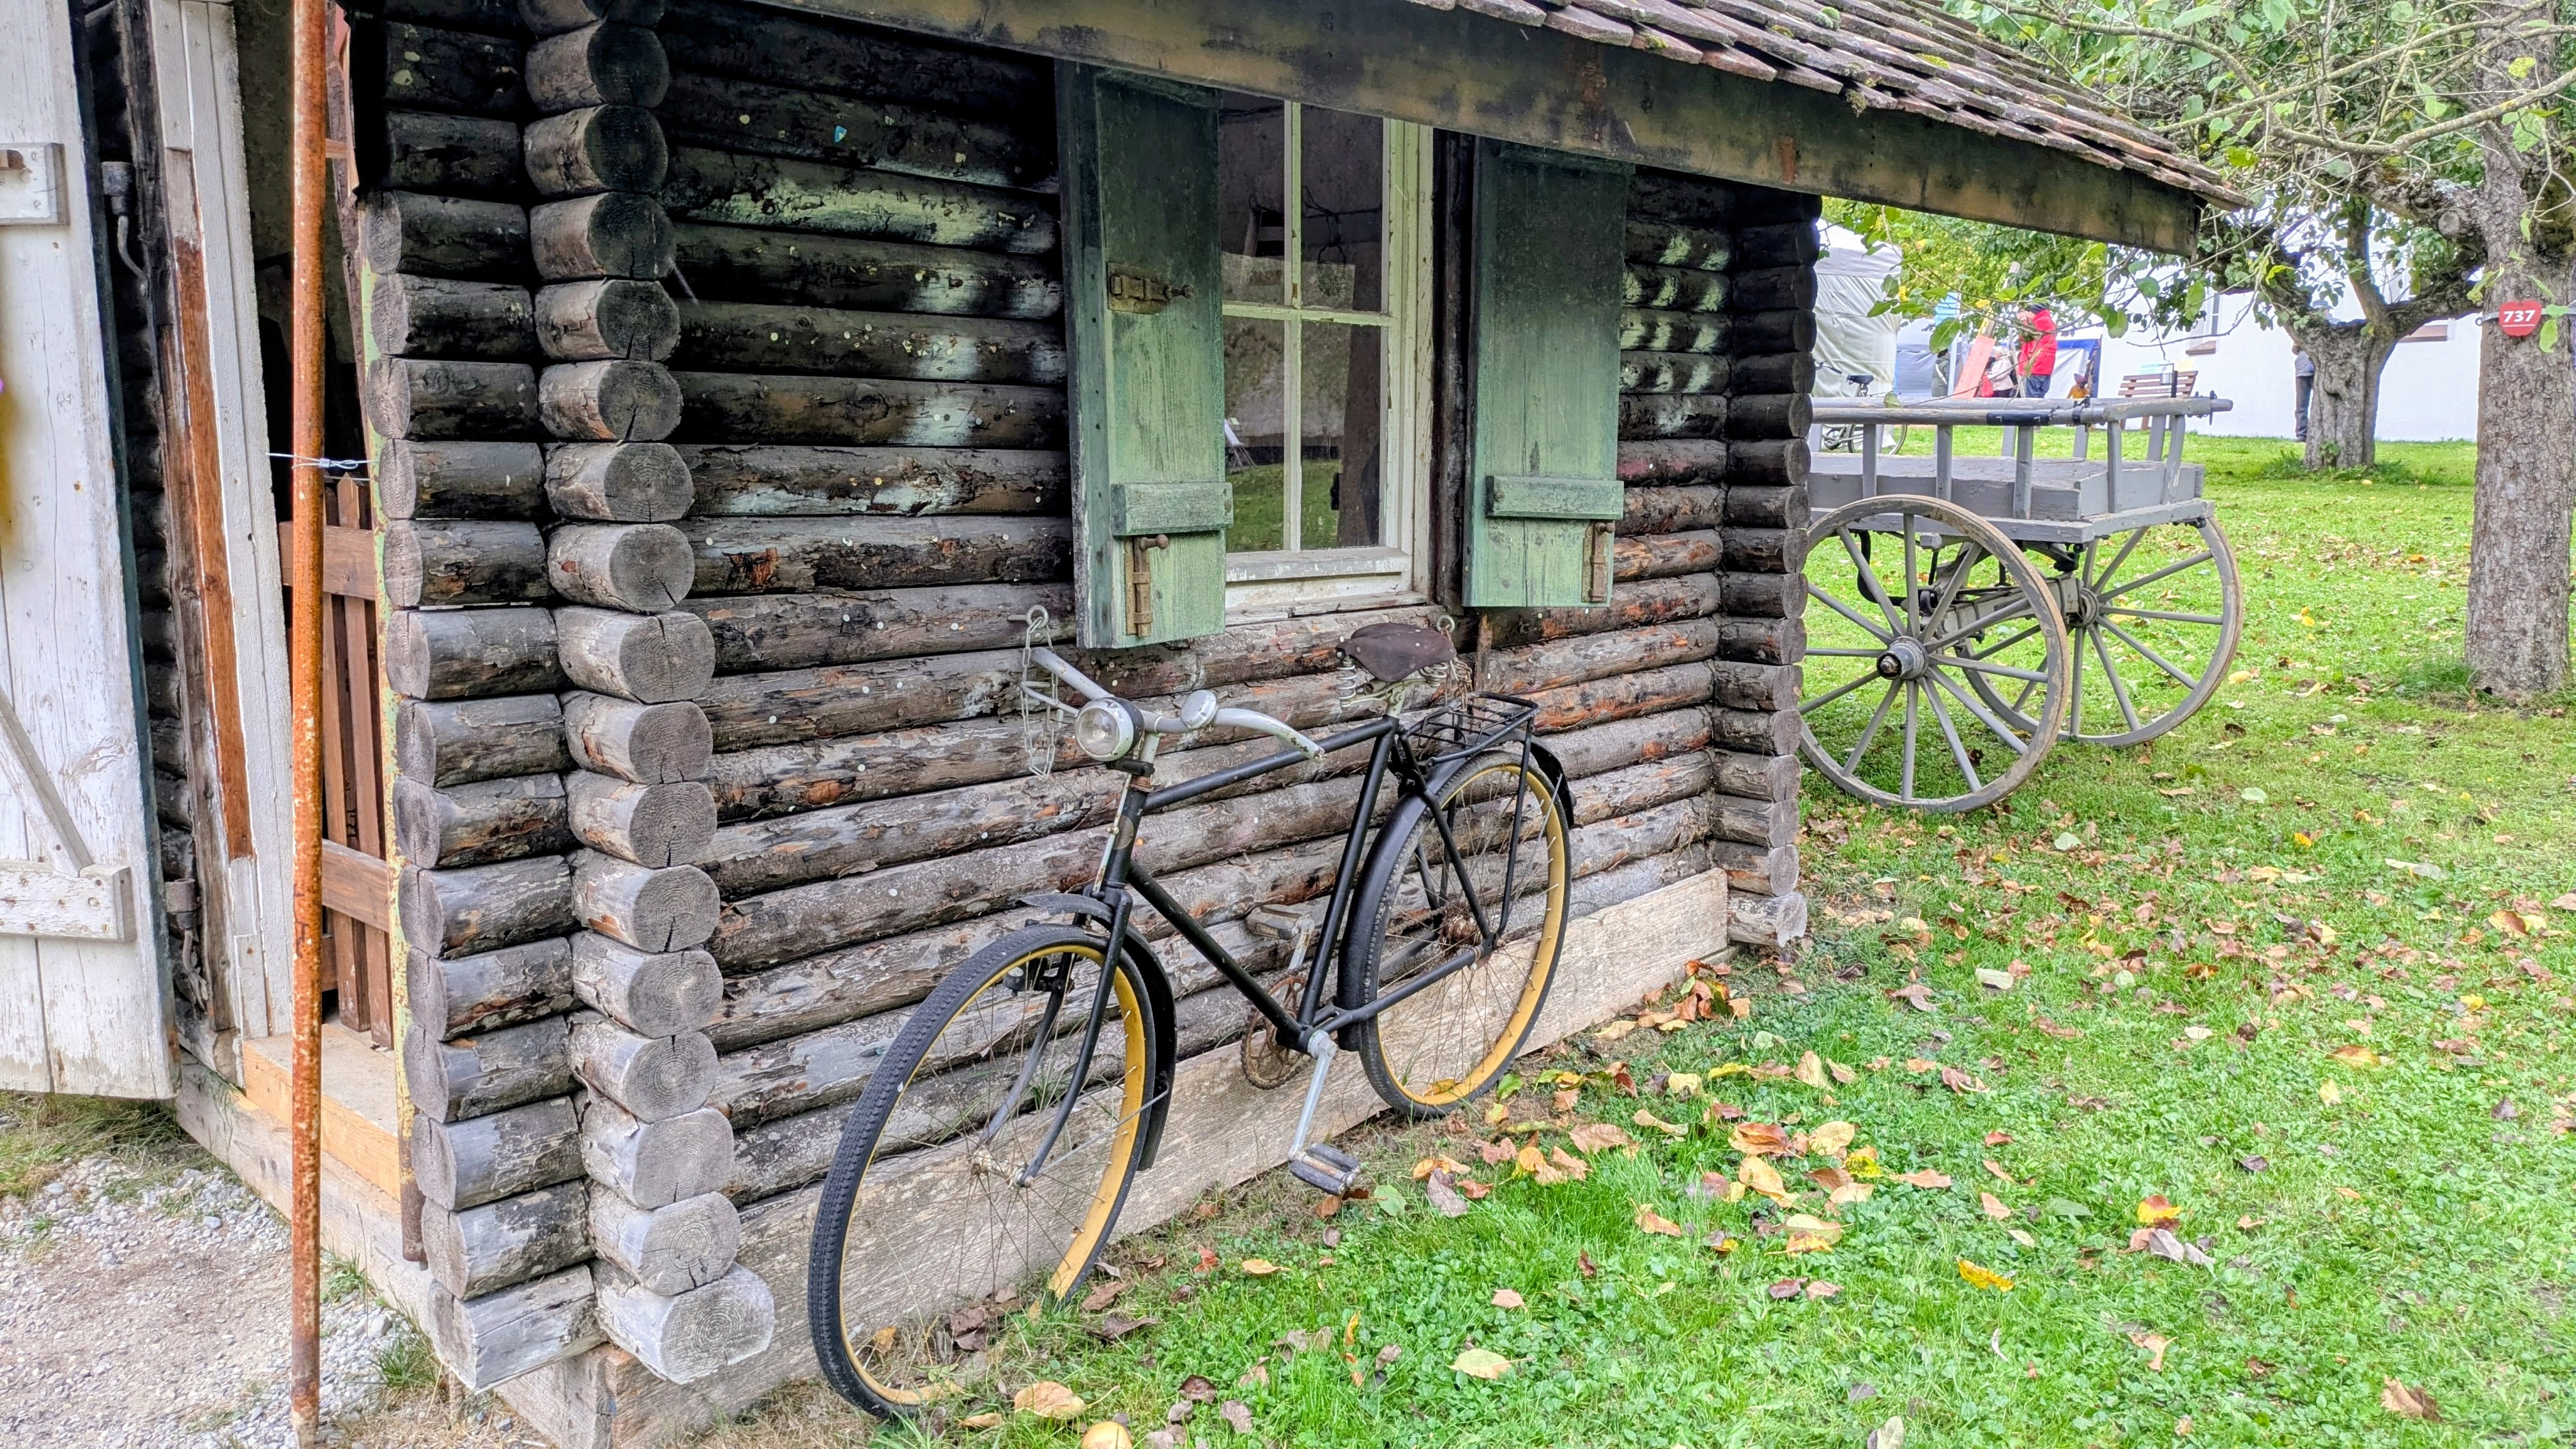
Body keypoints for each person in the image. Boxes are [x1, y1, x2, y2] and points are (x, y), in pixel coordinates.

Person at [2018, 305, 2058, 398]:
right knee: (2041, 396)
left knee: (2032, 398)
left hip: (2035, 364)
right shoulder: (2050, 322)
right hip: (2046, 366)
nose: (2028, 315)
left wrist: (2023, 321)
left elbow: (2025, 337)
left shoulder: (2039, 322)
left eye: (2030, 313)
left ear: (2035, 313)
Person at [2292, 346, 2315, 441]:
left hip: (2317, 372)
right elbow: (2294, 349)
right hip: (2302, 371)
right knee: (2301, 406)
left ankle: (2315, 432)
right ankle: (2302, 434)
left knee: (2319, 405)